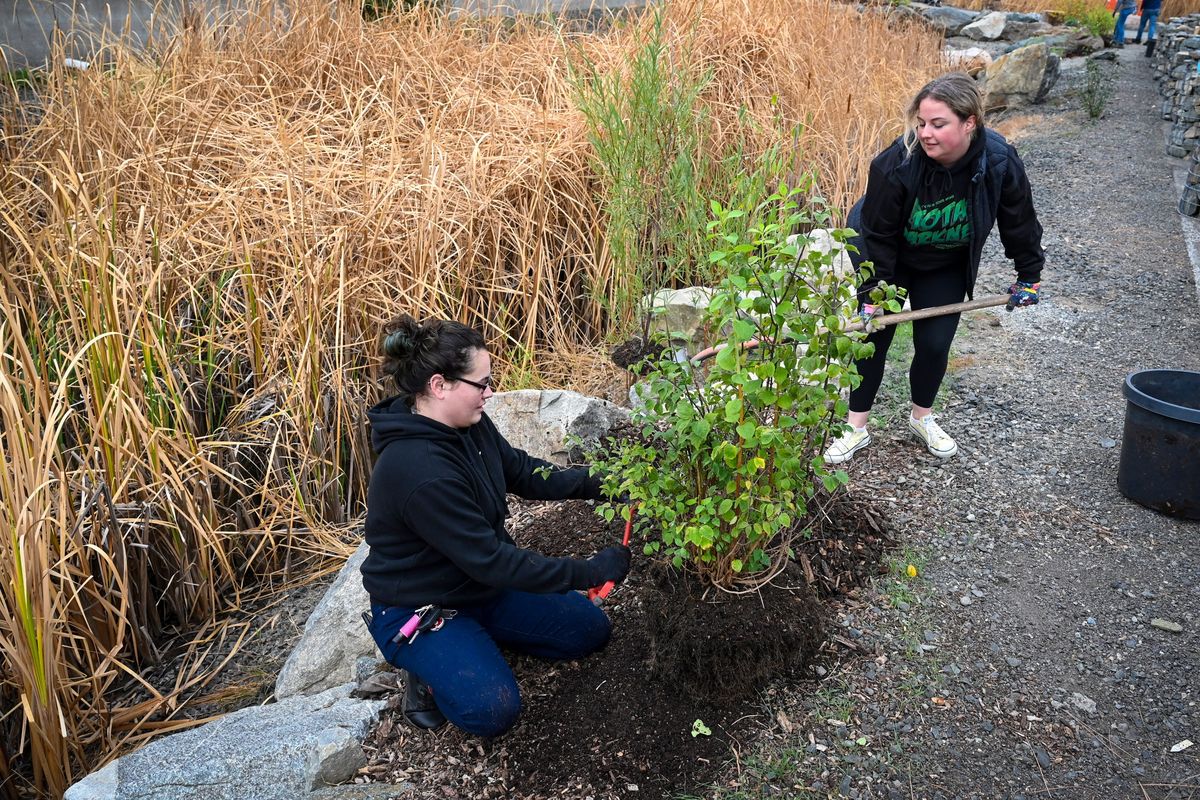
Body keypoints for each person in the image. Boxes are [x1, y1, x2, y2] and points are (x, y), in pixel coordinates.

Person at [360, 315, 631, 736]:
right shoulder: (419, 472)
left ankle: (471, 643)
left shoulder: (466, 424)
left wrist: (605, 485)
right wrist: (591, 571)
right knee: (492, 711)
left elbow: (522, 472)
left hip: (480, 588)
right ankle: (427, 671)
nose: (490, 392)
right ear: (439, 385)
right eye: (482, 383)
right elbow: (496, 562)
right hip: (422, 605)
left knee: (589, 631)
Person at [823, 72, 1044, 465]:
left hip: (944, 263)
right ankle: (855, 427)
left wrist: (1029, 275)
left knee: (935, 344)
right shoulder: (897, 162)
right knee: (873, 337)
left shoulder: (997, 160)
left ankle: (921, 417)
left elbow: (1019, 219)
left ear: (969, 122)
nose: (925, 133)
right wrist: (873, 297)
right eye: (922, 123)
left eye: (938, 124)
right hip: (887, 257)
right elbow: (877, 235)